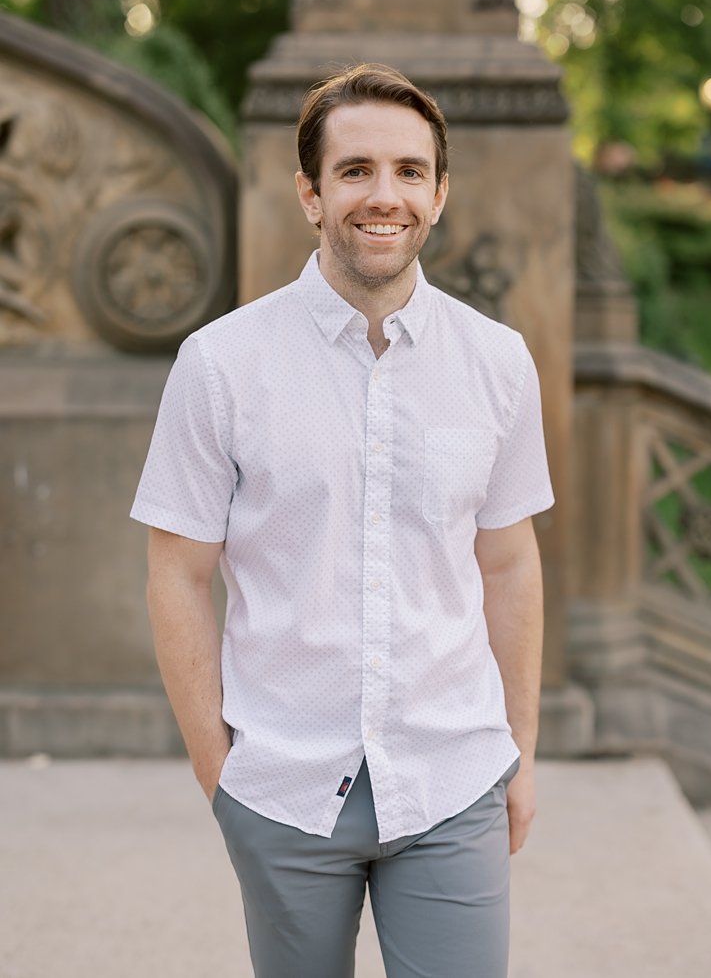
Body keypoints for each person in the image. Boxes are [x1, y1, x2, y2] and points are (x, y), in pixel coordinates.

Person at [131, 62, 552, 977]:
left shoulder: (499, 361)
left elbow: (511, 563)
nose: (382, 195)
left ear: (439, 195)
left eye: (408, 171)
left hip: (452, 775)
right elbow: (176, 572)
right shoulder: (220, 363)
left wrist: (520, 751)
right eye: (355, 170)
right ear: (310, 194)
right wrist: (220, 771)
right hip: (280, 784)